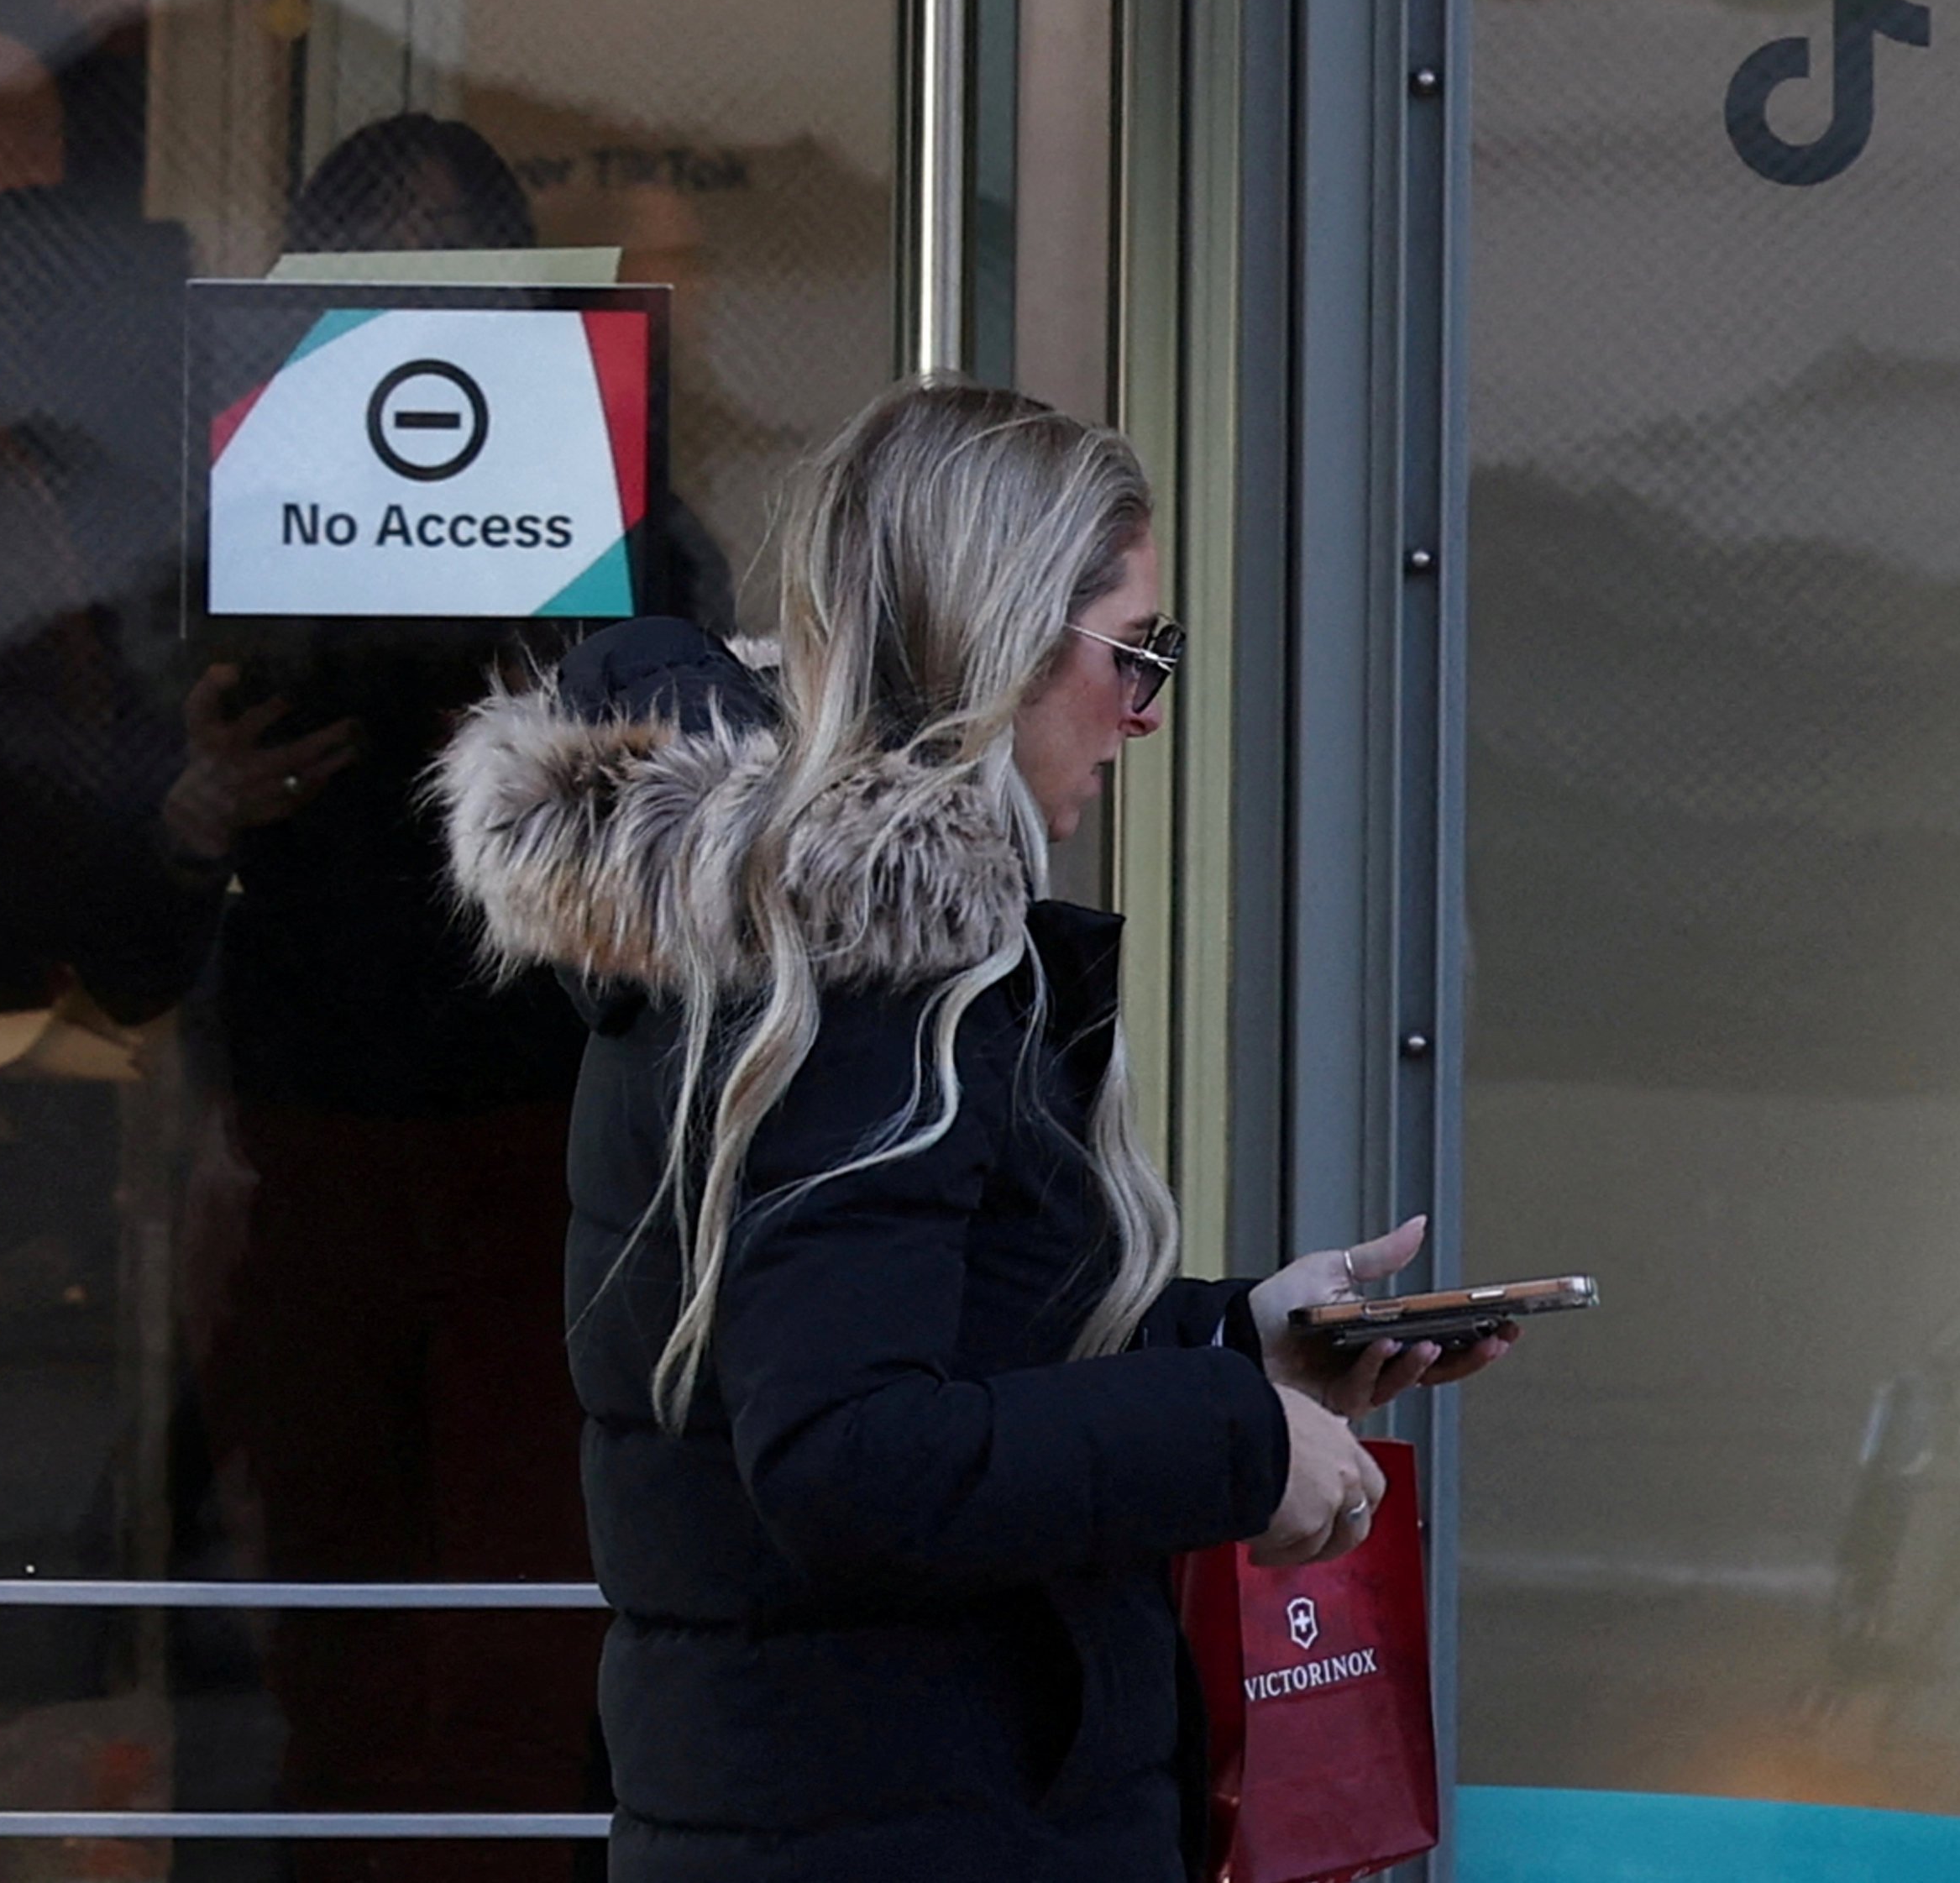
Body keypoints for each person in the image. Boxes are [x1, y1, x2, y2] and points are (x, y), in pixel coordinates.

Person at [432, 382, 1513, 1880]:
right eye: (1136, 653)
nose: (1146, 711)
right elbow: (850, 1456)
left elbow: (937, 1354)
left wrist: (1234, 1347)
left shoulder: (817, 942)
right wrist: (1231, 1436)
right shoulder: (857, 963)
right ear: (999, 637)